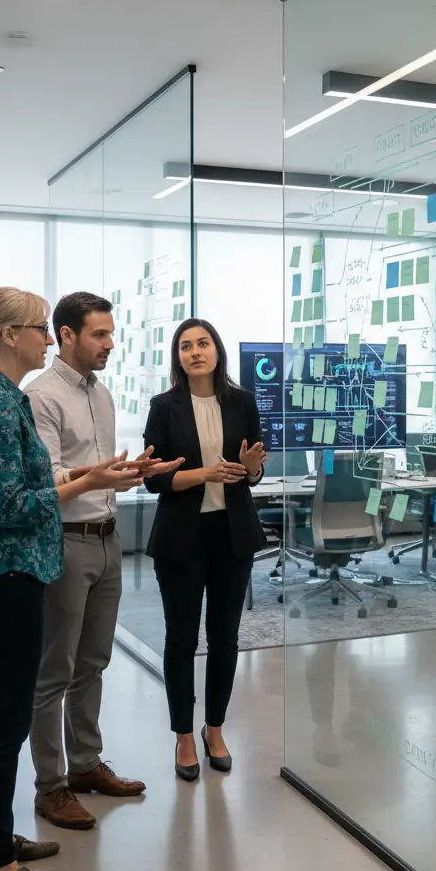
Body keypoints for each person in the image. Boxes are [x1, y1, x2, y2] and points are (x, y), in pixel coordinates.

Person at [0, 287, 140, 871]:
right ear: (10, 335)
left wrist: (102, 473)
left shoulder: (1, 397)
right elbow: (11, 504)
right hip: (3, 574)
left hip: (12, 571)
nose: (46, 336)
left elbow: (36, 476)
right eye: (39, 327)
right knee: (7, 719)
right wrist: (86, 484)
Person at [25, 292, 181, 829]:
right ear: (65, 335)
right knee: (55, 671)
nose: (110, 344)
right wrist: (99, 475)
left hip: (109, 540)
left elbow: (96, 471)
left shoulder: (104, 393)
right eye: (99, 334)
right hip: (66, 541)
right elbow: (46, 480)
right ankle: (51, 786)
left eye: (112, 334)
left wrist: (129, 470)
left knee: (93, 664)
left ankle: (86, 765)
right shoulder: (40, 395)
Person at [142, 318, 268, 781]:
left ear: (217, 350)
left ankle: (214, 729)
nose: (195, 352)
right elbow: (154, 478)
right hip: (181, 537)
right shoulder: (164, 406)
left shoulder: (242, 402)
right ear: (178, 357)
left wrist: (250, 469)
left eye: (203, 343)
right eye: (185, 346)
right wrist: (204, 474)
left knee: (225, 640)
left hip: (231, 535)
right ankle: (183, 736)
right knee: (181, 641)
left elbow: (249, 472)